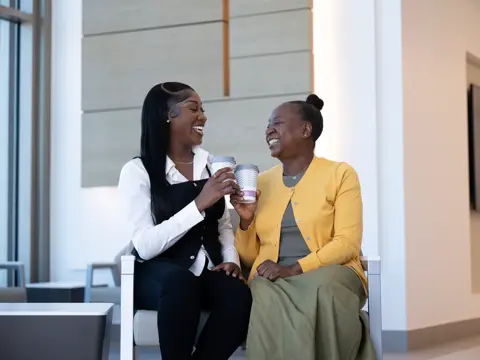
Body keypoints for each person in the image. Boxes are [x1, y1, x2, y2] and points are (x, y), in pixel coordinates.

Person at [231, 94, 376, 360]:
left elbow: (347, 243)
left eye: (277, 123)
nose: (268, 130)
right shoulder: (261, 182)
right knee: (262, 290)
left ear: (305, 130)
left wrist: (293, 268)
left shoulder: (340, 174)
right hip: (272, 275)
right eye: (267, 125)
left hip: (333, 271)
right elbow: (250, 258)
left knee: (325, 290)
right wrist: (246, 220)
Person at [117, 82, 252, 360]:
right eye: (193, 108)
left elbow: (223, 225)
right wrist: (199, 204)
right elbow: (144, 245)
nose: (202, 116)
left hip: (205, 271)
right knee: (180, 282)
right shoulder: (137, 171)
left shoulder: (211, 163)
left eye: (203, 109)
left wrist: (231, 261)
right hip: (157, 274)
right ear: (167, 115)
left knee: (238, 295)